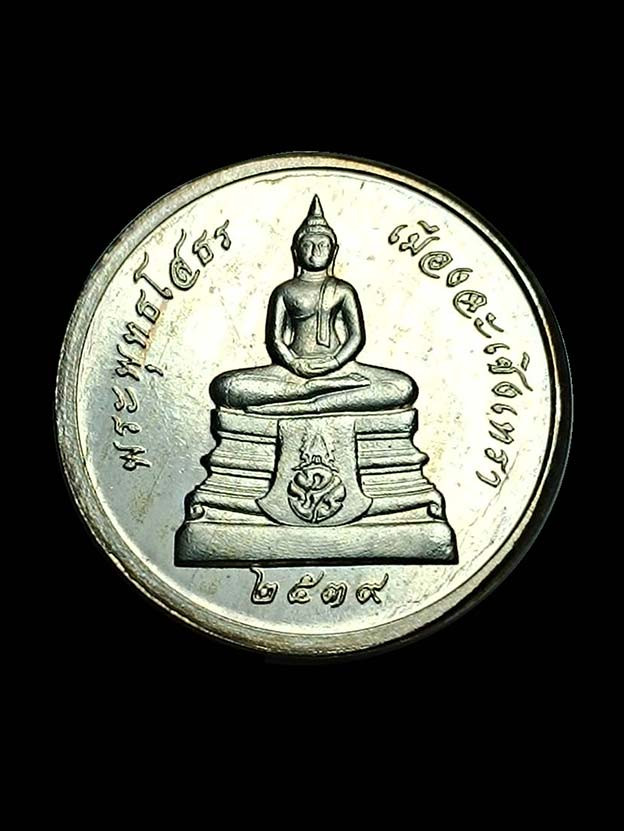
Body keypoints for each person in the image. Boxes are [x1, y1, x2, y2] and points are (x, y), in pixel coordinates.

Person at [209, 195, 417, 415]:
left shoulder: (343, 290)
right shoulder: (285, 290)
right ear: (296, 251)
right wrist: (294, 363)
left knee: (403, 388)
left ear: (333, 251)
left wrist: (335, 362)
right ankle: (312, 389)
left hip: (341, 369)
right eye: (307, 245)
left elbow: (356, 336)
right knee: (226, 387)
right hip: (292, 371)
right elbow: (275, 340)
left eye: (323, 245)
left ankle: (312, 401)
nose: (315, 251)